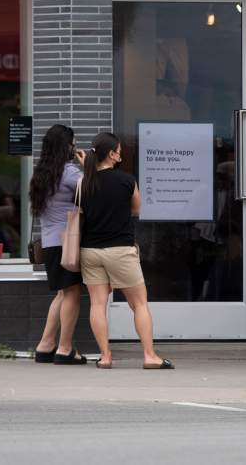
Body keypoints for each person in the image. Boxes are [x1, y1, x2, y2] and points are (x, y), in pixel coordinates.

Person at [79, 132, 172, 370]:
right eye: (119, 150)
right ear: (111, 154)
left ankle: (105, 356)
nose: (121, 154)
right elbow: (136, 210)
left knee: (97, 304)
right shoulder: (127, 181)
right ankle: (150, 356)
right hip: (120, 250)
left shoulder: (83, 182)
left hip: (90, 251)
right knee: (139, 304)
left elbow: (82, 210)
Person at [30, 124, 87, 365]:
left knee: (62, 294)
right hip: (69, 242)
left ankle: (45, 345)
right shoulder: (70, 173)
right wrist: (88, 166)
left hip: (51, 243)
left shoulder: (41, 174)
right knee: (72, 294)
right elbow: (95, 190)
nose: (74, 147)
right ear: (67, 146)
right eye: (72, 143)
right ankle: (65, 349)